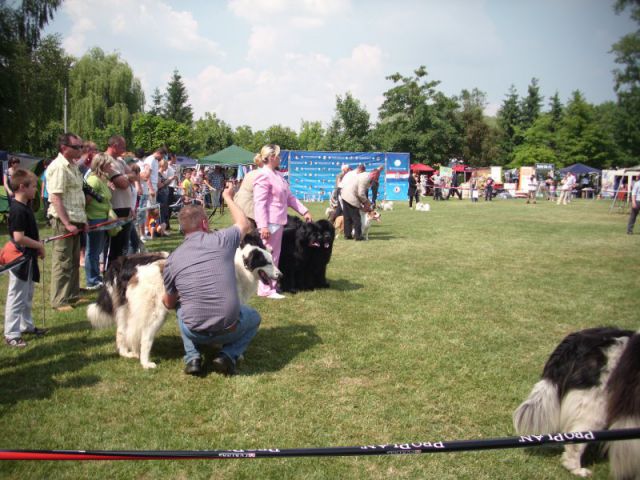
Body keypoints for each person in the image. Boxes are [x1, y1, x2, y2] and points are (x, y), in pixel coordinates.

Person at [162, 186, 260, 376]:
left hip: (195, 331)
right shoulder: (222, 239)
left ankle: (193, 358)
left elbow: (168, 303)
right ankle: (227, 355)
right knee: (254, 317)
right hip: (229, 327)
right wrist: (227, 196)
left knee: (181, 308)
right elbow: (244, 223)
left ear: (182, 229)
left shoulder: (172, 259)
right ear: (205, 224)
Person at [254, 144, 312, 299]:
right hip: (269, 223)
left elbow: (290, 197)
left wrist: (304, 210)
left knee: (275, 256)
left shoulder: (278, 176)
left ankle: (272, 286)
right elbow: (259, 203)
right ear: (271, 157)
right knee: (268, 256)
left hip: (278, 221)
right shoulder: (263, 175)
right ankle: (265, 289)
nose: (280, 158)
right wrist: (263, 225)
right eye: (278, 156)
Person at [4, 169, 47, 347]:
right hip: (20, 259)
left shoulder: (25, 207)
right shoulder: (17, 210)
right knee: (17, 296)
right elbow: (19, 237)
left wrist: (36, 245)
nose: (35, 190)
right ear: (22, 187)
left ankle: (26, 325)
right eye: (33, 187)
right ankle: (12, 333)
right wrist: (38, 245)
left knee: (27, 293)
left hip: (28, 257)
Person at [46, 132, 87, 311]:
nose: (81, 150)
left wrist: (82, 220)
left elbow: (77, 195)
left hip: (76, 219)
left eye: (81, 146)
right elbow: (56, 197)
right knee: (62, 261)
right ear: (64, 148)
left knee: (73, 261)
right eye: (77, 147)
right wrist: (67, 222)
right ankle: (59, 300)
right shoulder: (59, 167)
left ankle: (72, 295)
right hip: (64, 221)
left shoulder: (73, 166)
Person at [105, 135, 136, 266]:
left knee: (123, 245)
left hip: (126, 208)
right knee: (115, 247)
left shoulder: (121, 161)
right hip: (115, 209)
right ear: (115, 145)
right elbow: (122, 183)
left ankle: (119, 271)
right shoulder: (106, 161)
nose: (125, 149)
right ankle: (112, 272)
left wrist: (124, 176)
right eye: (123, 146)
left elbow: (135, 176)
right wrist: (126, 177)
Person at [84, 153, 113, 290]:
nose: (111, 166)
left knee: (97, 250)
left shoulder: (102, 179)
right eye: (109, 164)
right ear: (101, 165)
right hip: (94, 218)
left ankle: (95, 276)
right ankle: (91, 280)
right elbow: (86, 201)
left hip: (102, 217)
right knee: (93, 251)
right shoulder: (93, 180)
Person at [341, 167, 377, 241]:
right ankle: (358, 236)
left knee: (347, 217)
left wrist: (362, 203)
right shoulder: (366, 178)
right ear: (373, 175)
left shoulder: (363, 175)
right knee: (356, 218)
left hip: (344, 194)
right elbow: (360, 193)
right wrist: (366, 202)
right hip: (351, 197)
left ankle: (347, 235)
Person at [235, 154, 264, 228]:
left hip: (240, 203)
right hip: (249, 206)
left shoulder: (250, 173)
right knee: (251, 233)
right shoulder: (262, 174)